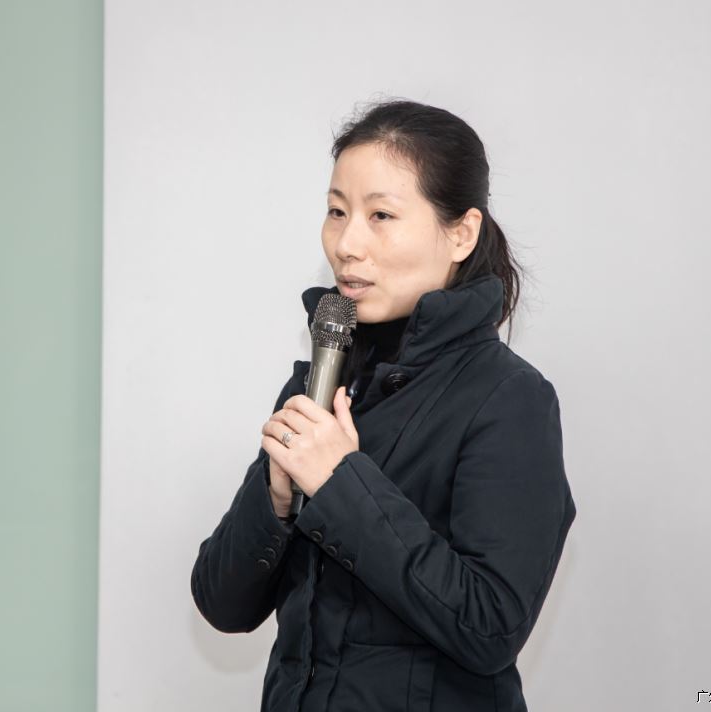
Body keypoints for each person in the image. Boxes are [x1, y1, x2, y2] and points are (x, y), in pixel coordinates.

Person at [190, 98, 576, 712]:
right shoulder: (320, 386)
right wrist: (276, 498)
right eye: (336, 211)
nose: (347, 243)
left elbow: (490, 628)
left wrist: (340, 483)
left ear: (461, 233)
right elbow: (221, 604)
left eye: (381, 215)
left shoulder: (509, 399)